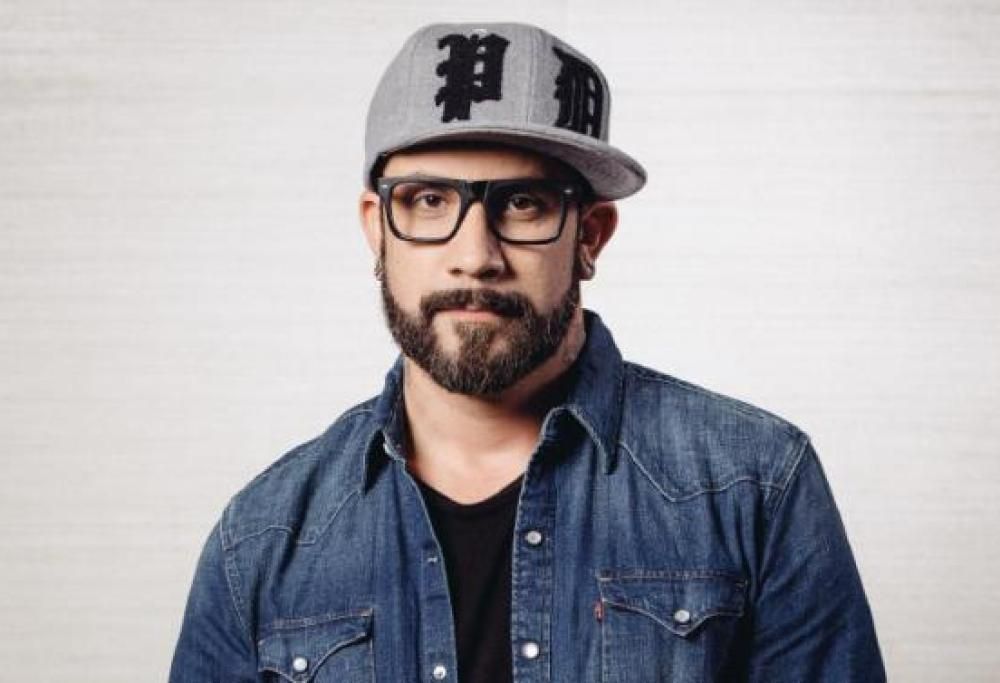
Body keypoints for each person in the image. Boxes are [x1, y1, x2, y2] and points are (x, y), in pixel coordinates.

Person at [169, 21, 886, 682]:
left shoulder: (753, 485)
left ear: (590, 235)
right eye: (428, 201)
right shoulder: (261, 540)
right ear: (376, 228)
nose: (475, 256)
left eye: (522, 203)